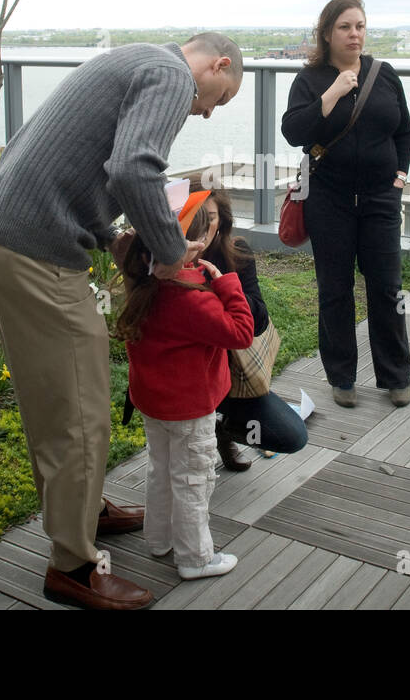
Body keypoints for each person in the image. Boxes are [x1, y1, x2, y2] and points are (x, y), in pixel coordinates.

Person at [0, 32, 242, 610]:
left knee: (59, 395)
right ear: (217, 64)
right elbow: (132, 170)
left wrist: (109, 236)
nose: (205, 111)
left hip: (16, 232)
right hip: (38, 248)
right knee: (79, 411)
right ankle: (72, 565)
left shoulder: (134, 58)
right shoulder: (172, 74)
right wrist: (170, 253)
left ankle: (85, 510)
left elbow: (81, 164)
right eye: (218, 99)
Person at [281, 0, 410, 408]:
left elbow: (405, 131)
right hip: (330, 197)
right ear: (327, 32)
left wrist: (400, 176)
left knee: (387, 287)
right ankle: (342, 377)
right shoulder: (310, 80)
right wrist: (331, 95)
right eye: (345, 27)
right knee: (335, 289)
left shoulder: (384, 74)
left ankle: (395, 376)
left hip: (380, 198)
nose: (354, 34)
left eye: (360, 26)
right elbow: (293, 131)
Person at [116, 207, 254, 579]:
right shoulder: (192, 297)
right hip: (190, 410)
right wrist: (225, 283)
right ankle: (195, 559)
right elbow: (241, 333)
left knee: (161, 470)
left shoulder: (143, 284)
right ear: (189, 246)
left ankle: (159, 540)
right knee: (194, 478)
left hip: (154, 405)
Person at [189, 182, 309, 470]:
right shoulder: (165, 261)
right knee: (183, 466)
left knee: (291, 435)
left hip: (232, 376)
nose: (202, 227)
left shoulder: (236, 253)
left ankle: (223, 429)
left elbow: (258, 322)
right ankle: (205, 432)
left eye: (211, 218)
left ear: (223, 222)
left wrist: (226, 287)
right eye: (195, 216)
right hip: (185, 377)